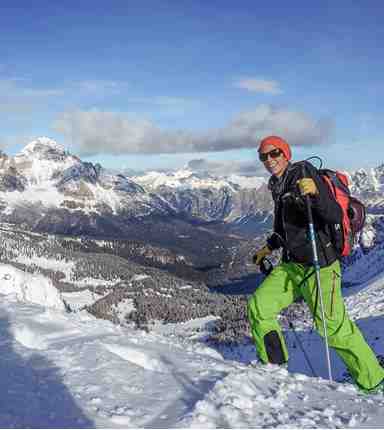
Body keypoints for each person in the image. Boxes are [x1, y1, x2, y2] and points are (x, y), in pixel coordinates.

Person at [247, 135, 384, 393]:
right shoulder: (276, 185)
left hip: (320, 265)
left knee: (332, 327)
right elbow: (282, 228)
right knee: (259, 306)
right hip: (291, 265)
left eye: (274, 153)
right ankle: (273, 368)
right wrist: (268, 247)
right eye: (263, 156)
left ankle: (374, 381)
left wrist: (316, 194)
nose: (269, 160)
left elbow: (332, 213)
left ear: (285, 154)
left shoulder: (304, 172)